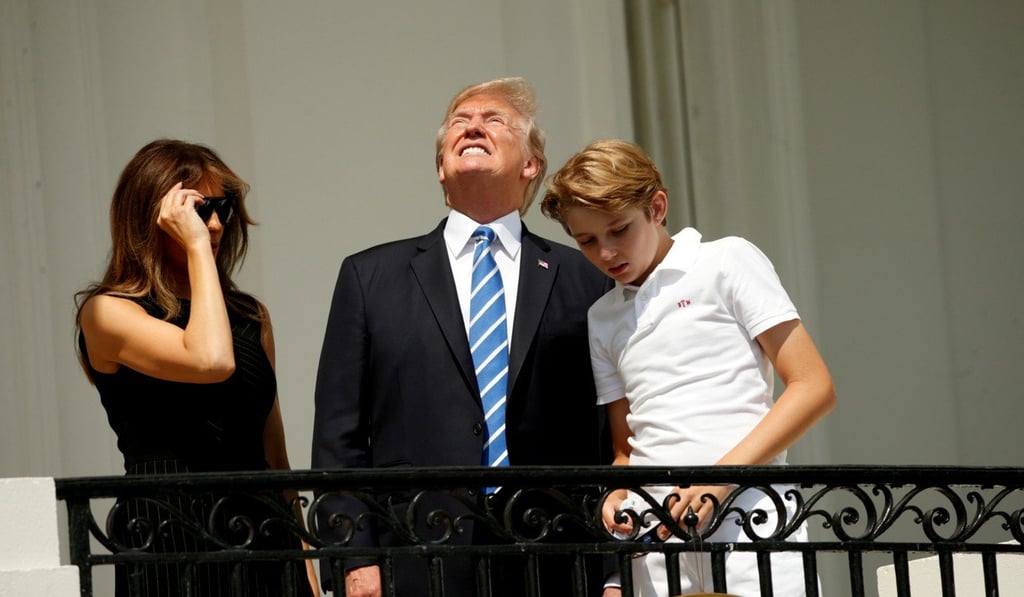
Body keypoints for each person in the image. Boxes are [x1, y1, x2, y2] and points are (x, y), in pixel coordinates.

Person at [311, 77, 616, 597]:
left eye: (494, 119)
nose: (473, 124)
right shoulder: (370, 277)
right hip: (415, 553)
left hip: (555, 555)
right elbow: (339, 438)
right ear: (439, 169)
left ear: (531, 165)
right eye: (459, 121)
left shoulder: (586, 277)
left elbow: (610, 430)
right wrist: (353, 557)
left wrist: (613, 570)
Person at [541, 139, 837, 596]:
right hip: (656, 540)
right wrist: (617, 494)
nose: (605, 253)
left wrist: (718, 481)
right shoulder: (602, 317)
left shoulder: (726, 261)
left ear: (657, 207)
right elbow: (626, 446)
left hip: (750, 520)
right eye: (587, 240)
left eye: (619, 230)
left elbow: (813, 386)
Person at [75, 139, 315, 597]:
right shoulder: (108, 312)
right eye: (197, 209)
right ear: (154, 215)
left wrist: (304, 558)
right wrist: (198, 248)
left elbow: (275, 456)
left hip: (261, 533)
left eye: (223, 207)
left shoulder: (249, 316)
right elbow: (210, 360)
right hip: (169, 536)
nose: (215, 223)